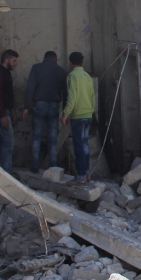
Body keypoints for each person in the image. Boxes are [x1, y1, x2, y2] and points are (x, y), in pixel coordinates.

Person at [23, 51, 68, 173]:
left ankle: (34, 166)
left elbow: (30, 88)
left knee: (37, 136)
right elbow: (65, 93)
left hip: (39, 104)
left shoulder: (36, 68)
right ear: (56, 59)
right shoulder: (61, 71)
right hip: (54, 105)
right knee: (52, 138)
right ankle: (53, 167)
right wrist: (65, 112)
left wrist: (26, 106)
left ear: (44, 58)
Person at [61, 51, 95, 184]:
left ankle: (80, 176)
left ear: (70, 62)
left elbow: (72, 98)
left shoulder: (72, 76)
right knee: (85, 145)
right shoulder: (87, 76)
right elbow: (93, 96)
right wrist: (91, 111)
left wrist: (65, 114)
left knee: (78, 146)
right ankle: (86, 173)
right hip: (88, 114)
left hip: (78, 116)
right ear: (82, 62)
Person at [0, 49, 19, 171]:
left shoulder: (6, 73)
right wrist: (2, 115)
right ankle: (6, 172)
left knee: (0, 142)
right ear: (6, 60)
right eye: (14, 60)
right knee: (8, 142)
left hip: (4, 110)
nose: (16, 63)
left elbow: (7, 94)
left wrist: (11, 110)